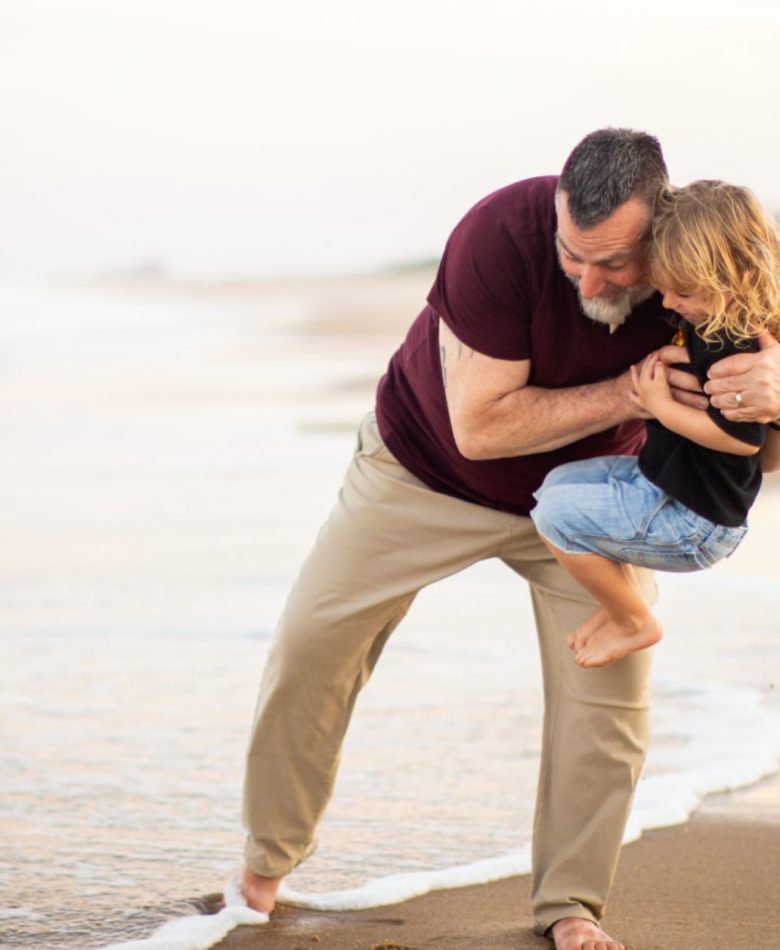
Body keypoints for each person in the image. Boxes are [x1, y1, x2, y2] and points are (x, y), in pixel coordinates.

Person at [240, 129, 780, 950]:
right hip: (424, 470)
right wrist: (630, 392)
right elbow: (481, 429)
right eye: (572, 255)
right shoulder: (496, 235)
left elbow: (755, 446)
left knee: (611, 693)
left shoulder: (695, 278)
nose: (590, 281)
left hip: (599, 492)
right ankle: (263, 870)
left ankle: (572, 906)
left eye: (614, 265)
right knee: (313, 641)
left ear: (663, 236)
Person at [531, 180, 780, 670]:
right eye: (663, 285)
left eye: (681, 291)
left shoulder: (731, 344)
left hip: (697, 522)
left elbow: (743, 441)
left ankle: (632, 618)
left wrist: (657, 404)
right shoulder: (715, 316)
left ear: (734, 278)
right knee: (556, 484)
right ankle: (620, 605)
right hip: (671, 483)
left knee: (554, 517)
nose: (666, 301)